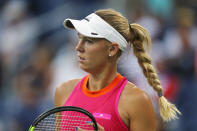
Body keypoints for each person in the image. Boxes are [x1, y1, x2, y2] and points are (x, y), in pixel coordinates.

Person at [54, 9, 181, 131]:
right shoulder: (63, 91)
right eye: (79, 38)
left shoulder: (137, 101)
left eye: (89, 41)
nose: (78, 47)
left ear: (112, 49)